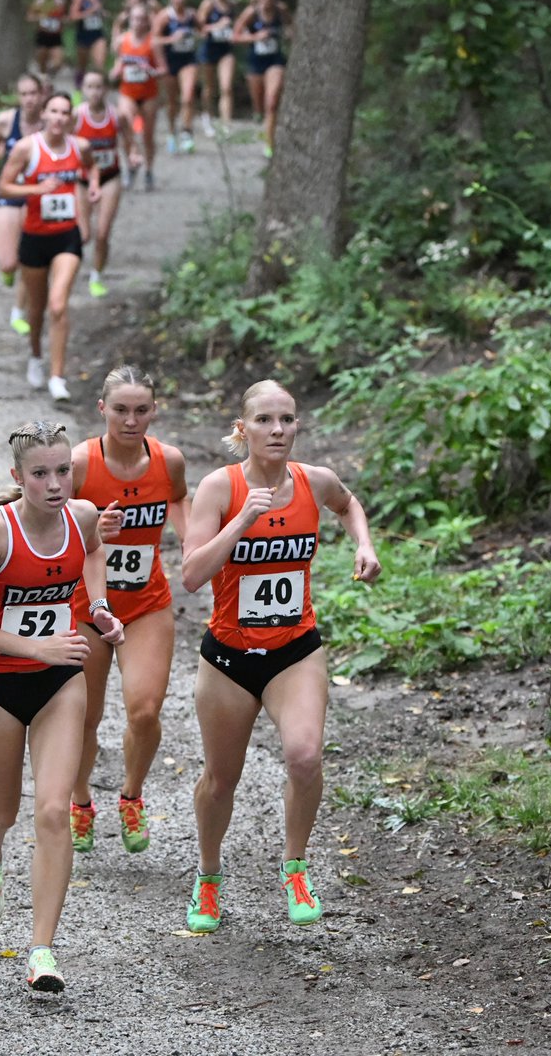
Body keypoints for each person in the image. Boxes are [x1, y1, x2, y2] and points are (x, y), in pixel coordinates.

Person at [181, 379, 381, 933]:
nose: (278, 430)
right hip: (228, 657)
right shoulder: (218, 489)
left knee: (304, 756)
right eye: (265, 421)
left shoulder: (313, 480)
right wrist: (242, 521)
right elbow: (193, 575)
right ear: (242, 430)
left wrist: (364, 544)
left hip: (295, 649)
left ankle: (295, 867)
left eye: (287, 420)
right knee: (222, 779)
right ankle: (208, 877)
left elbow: (348, 503)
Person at [0, 420, 125, 993]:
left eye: (63, 470)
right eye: (41, 473)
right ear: (17, 477)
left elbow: (94, 552)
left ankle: (42, 950)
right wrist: (33, 645)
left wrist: (97, 605)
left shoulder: (84, 517)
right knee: (2, 812)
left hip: (60, 679)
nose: (54, 483)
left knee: (52, 811)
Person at [68, 366, 189, 856]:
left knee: (144, 710)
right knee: (85, 718)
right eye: (120, 409)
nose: (131, 420)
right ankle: (80, 802)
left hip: (145, 604)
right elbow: (47, 529)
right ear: (102, 410)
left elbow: (179, 501)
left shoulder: (169, 460)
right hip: (85, 608)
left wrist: (194, 540)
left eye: (141, 410)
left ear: (154, 411)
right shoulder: (79, 464)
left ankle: (131, 796)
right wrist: (92, 529)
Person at [0, 92, 99, 403]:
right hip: (34, 236)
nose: (58, 117)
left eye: (64, 112)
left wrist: (92, 185)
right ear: (43, 114)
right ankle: (36, 356)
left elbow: (93, 168)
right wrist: (35, 189)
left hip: (66, 235)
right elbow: (3, 185)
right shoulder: (28, 148)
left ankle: (57, 376)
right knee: (37, 309)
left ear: (70, 118)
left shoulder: (79, 146)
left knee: (58, 304)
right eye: (53, 111)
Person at [0, 73, 45, 334]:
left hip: (37, 195)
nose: (29, 99)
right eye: (24, 94)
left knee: (28, 258)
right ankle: (9, 270)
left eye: (33, 93)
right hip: (8, 193)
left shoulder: (49, 122)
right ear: (17, 97)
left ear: (41, 95)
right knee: (8, 262)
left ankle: (18, 311)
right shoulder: (7, 121)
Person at [72, 70, 139, 297]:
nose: (94, 92)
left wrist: (133, 155)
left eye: (98, 87)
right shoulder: (76, 116)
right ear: (83, 90)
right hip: (81, 179)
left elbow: (130, 140)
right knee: (83, 234)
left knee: (102, 232)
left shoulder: (117, 116)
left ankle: (96, 276)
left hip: (110, 176)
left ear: (106, 90)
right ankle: (69, 270)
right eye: (89, 87)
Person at [233, 0, 293, 158]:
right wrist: (255, 37)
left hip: (275, 60)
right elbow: (235, 37)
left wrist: (290, 34)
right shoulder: (251, 13)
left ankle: (269, 144)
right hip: (255, 62)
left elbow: (291, 26)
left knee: (272, 101)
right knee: (259, 105)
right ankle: (259, 116)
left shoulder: (280, 10)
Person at [110, 4, 165, 192]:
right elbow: (119, 62)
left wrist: (149, 71)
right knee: (125, 127)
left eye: (142, 19)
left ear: (147, 22)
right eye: (135, 18)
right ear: (130, 20)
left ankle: (149, 171)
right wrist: (115, 72)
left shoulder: (153, 43)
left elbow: (163, 70)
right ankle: (131, 165)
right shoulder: (122, 41)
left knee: (148, 136)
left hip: (149, 94)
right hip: (128, 93)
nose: (138, 22)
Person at [154, 0, 200, 154]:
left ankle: (187, 132)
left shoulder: (192, 15)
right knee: (172, 101)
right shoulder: (164, 16)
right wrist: (171, 39)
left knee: (188, 96)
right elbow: (154, 41)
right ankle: (172, 130)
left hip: (188, 60)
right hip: (170, 62)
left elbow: (203, 30)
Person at [197, 0, 237, 136]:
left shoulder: (232, 5)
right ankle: (207, 117)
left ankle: (226, 124)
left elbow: (239, 27)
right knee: (209, 88)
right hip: (208, 50)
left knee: (226, 87)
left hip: (225, 51)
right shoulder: (208, 4)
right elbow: (198, 29)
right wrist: (216, 26)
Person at [69, 0, 108, 90]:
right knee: (82, 66)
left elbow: (100, 12)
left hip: (97, 33)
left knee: (99, 66)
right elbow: (73, 16)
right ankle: (78, 91)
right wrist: (90, 12)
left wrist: (103, 13)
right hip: (83, 33)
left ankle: (99, 93)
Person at [29, 0, 68, 75]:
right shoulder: (39, 1)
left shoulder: (60, 2)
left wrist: (64, 20)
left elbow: (65, 16)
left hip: (56, 35)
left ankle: (50, 74)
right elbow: (30, 16)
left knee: (58, 62)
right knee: (42, 62)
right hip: (43, 34)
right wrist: (39, 17)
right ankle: (43, 77)